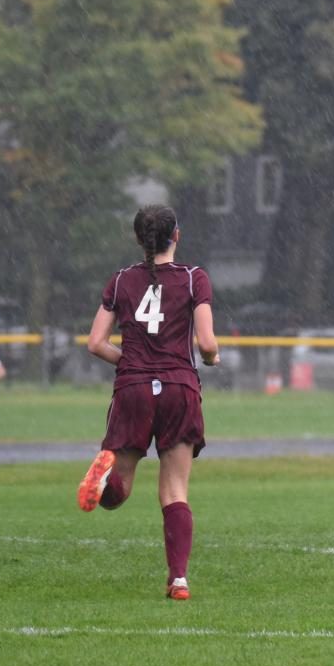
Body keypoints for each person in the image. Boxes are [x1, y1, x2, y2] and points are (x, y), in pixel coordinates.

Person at [76, 205, 220, 602]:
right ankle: (178, 580)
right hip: (178, 388)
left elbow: (94, 344)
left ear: (140, 240)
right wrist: (211, 358)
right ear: (177, 235)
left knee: (119, 492)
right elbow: (206, 343)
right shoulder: (194, 278)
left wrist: (135, 363)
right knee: (175, 491)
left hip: (134, 388)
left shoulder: (121, 280)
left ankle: (103, 482)